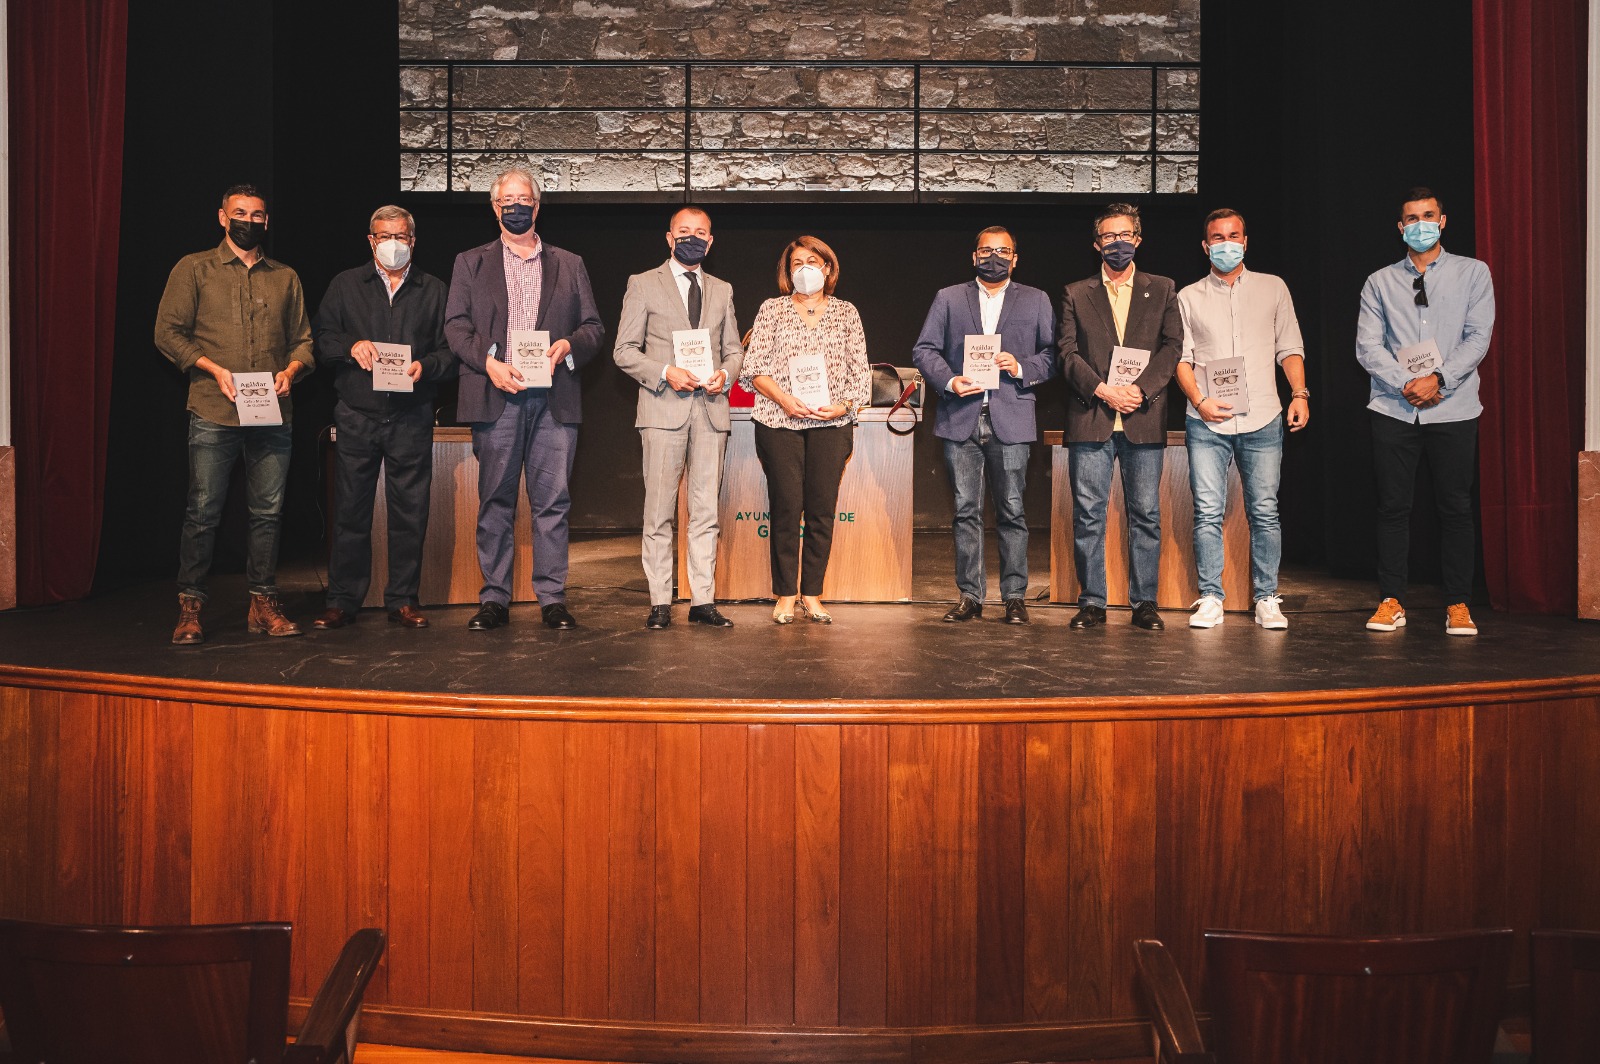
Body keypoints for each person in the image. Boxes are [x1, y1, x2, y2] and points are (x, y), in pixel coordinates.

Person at [444, 167, 605, 630]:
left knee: (553, 502)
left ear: (537, 206)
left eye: (524, 200)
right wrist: (489, 364)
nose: (516, 207)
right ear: (494, 208)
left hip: (554, 400)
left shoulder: (569, 263)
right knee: (495, 500)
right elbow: (455, 326)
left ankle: (552, 598)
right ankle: (494, 598)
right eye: (507, 200)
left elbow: (593, 327)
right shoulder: (470, 262)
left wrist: (569, 345)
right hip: (497, 395)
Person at [155, 184, 314, 645]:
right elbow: (167, 332)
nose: (249, 221)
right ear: (223, 218)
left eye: (257, 214)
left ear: (267, 221)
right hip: (213, 409)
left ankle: (263, 604)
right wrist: (211, 368)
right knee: (203, 511)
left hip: (273, 413)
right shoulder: (194, 268)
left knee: (268, 513)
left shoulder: (285, 277)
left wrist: (292, 370)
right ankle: (190, 606)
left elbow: (304, 340)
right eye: (240, 213)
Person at [1356, 186, 1495, 636]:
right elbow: (1368, 346)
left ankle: (1458, 603)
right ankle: (1391, 600)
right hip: (1394, 408)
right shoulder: (1379, 281)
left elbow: (1478, 335)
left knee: (1455, 507)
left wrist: (1439, 379)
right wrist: (1407, 383)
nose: (1421, 225)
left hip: (1454, 407)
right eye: (1412, 219)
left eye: (1428, 216)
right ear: (1401, 228)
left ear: (1443, 221)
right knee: (1392, 507)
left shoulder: (1473, 273)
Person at [310, 206, 454, 632]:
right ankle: (342, 601)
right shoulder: (345, 285)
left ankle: (403, 599)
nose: (393, 243)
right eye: (384, 236)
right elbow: (321, 338)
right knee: (350, 511)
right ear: (371, 241)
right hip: (357, 414)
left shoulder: (434, 289)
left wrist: (427, 366)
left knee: (410, 512)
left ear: (413, 240)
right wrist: (349, 346)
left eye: (401, 236)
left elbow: (451, 351)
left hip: (411, 415)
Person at [912, 226, 1056, 624]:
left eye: (1003, 251)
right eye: (986, 250)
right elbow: (924, 350)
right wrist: (950, 380)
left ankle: (1014, 597)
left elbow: (1052, 355)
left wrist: (1021, 365)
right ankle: (970, 596)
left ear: (1015, 258)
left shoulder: (1036, 299)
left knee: (1012, 510)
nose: (994, 257)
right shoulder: (948, 298)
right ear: (973, 256)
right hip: (962, 417)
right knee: (965, 511)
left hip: (1011, 417)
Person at [1174, 208, 1310, 631]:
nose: (1226, 244)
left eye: (1234, 236)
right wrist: (1199, 401)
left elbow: (1289, 347)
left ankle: (1266, 597)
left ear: (1245, 242)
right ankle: (1211, 597)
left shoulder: (1273, 288)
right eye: (1218, 238)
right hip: (1206, 421)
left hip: (1264, 417)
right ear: (1205, 246)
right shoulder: (1188, 296)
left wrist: (1299, 394)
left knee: (1265, 511)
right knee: (1207, 512)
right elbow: (1181, 359)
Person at [613, 206, 744, 630]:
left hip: (710, 411)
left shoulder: (722, 289)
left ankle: (702, 600)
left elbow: (734, 350)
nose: (692, 238)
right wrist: (665, 371)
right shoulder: (642, 284)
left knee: (706, 512)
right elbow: (624, 351)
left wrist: (725, 375)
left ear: (711, 240)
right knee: (659, 512)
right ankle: (659, 602)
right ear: (669, 239)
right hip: (662, 409)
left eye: (700, 232)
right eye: (684, 231)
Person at [1058, 202, 1183, 630]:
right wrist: (1103, 389)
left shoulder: (1162, 289)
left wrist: (1140, 390)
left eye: (1124, 235)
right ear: (1097, 244)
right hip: (1091, 415)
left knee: (1145, 514)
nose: (1117, 243)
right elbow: (1067, 352)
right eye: (1109, 236)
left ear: (1138, 239)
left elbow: (1172, 347)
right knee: (1088, 515)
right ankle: (1092, 602)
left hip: (1142, 417)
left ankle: (1144, 602)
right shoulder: (1076, 292)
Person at [741, 235, 871, 625]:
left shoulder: (847, 312)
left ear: (828, 268)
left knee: (821, 511)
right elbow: (753, 369)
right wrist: (784, 399)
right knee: (785, 508)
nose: (805, 269)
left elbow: (860, 375)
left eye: (812, 261)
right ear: (788, 271)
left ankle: (812, 593)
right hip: (779, 422)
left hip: (832, 424)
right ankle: (785, 594)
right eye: (796, 263)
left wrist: (843, 406)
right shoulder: (772, 309)